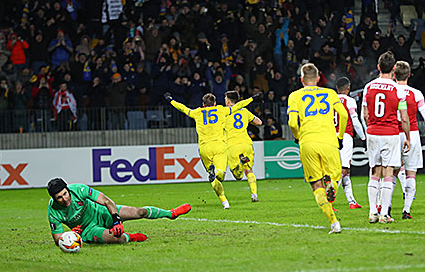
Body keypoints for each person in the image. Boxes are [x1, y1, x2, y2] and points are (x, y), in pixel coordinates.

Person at [164, 92, 259, 209]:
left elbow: (183, 108)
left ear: (203, 104)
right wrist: (252, 99)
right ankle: (218, 173)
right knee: (221, 175)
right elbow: (237, 107)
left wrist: (171, 100)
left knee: (212, 177)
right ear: (214, 103)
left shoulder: (197, 112)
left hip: (204, 148)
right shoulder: (221, 110)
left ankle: (225, 202)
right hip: (219, 146)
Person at [287, 63, 348, 234]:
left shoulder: (294, 96)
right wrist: (340, 136)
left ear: (301, 79)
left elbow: (292, 122)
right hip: (329, 140)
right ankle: (332, 187)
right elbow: (343, 114)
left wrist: (298, 137)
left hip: (308, 142)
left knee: (316, 185)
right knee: (335, 178)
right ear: (319, 78)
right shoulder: (330, 93)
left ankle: (334, 222)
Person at [47, 178, 191, 244]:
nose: (64, 199)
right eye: (59, 197)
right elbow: (57, 238)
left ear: (68, 189)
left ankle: (170, 214)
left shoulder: (79, 189)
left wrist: (116, 220)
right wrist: (72, 235)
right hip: (87, 230)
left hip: (101, 212)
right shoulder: (53, 210)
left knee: (139, 212)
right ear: (54, 199)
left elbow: (106, 201)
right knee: (119, 239)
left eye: (65, 194)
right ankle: (131, 237)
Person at [362, 51, 410, 224]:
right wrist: (407, 137)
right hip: (390, 133)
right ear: (394, 69)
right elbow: (404, 117)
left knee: (374, 171)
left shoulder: (369, 86)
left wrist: (370, 127)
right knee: (388, 172)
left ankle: (372, 212)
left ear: (378, 67)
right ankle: (384, 214)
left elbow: (365, 114)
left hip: (373, 132)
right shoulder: (398, 89)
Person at [393, 61, 425, 219]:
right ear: (409, 75)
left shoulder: (391, 92)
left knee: (390, 173)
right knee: (411, 173)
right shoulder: (416, 93)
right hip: (412, 134)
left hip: (393, 134)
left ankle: (384, 208)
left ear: (394, 75)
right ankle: (406, 210)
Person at [224, 90, 263, 202]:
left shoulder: (224, 112)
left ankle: (240, 164)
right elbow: (259, 122)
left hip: (232, 145)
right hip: (246, 143)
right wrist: (248, 121)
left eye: (225, 98)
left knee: (238, 175)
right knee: (249, 170)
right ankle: (254, 194)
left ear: (229, 101)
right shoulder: (244, 111)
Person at [335, 77, 366, 209]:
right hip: (345, 136)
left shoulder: (330, 99)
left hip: (330, 136)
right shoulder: (350, 101)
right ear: (348, 88)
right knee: (343, 169)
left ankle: (351, 201)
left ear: (337, 88)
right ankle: (329, 200)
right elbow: (354, 120)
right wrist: (363, 137)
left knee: (345, 170)